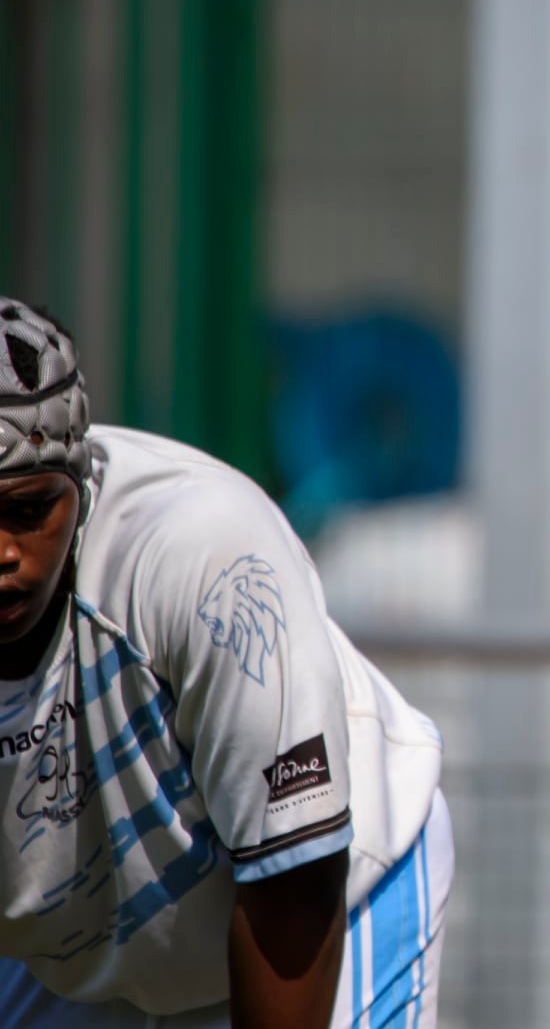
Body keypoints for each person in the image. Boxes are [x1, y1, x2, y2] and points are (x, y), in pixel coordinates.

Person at [0, 300, 450, 1029]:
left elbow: (294, 889)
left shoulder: (205, 556)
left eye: (28, 511)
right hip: (77, 948)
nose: (4, 556)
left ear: (79, 488)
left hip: (325, 893)